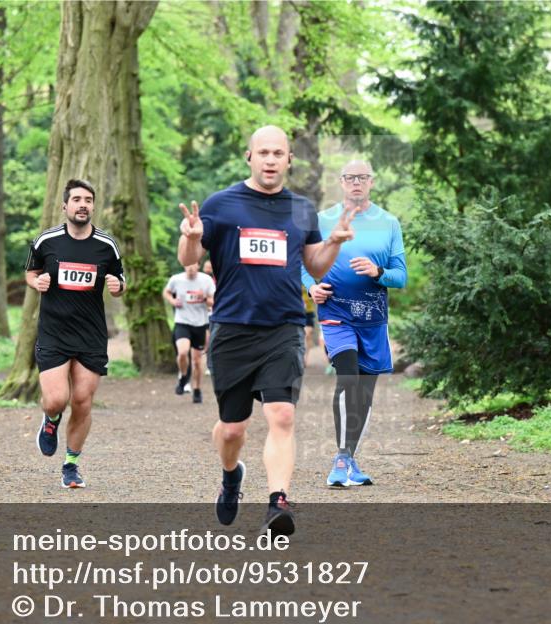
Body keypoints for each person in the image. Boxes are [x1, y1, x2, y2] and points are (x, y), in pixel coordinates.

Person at [178, 125, 356, 536]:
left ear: (289, 159)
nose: (271, 160)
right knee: (232, 429)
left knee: (282, 414)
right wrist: (191, 238)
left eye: (278, 153)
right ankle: (231, 476)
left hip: (284, 326)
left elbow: (314, 265)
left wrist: (334, 242)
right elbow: (189, 256)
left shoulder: (301, 209)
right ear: (250, 157)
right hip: (232, 328)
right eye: (264, 153)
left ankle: (278, 501)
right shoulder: (221, 204)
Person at [302, 160, 407, 488]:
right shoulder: (322, 220)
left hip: (373, 319)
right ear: (341, 182)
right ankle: (341, 458)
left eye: (362, 177)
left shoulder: (389, 223)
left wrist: (378, 272)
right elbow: (303, 263)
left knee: (364, 391)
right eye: (350, 177)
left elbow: (400, 276)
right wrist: (311, 287)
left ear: (371, 182)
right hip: (336, 313)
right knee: (347, 377)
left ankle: (350, 457)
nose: (356, 182)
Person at [25, 178, 126, 489]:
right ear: (65, 206)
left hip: (90, 335)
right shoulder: (46, 241)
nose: (83, 205)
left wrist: (118, 286)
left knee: (82, 401)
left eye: (88, 200)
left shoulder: (106, 245)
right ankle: (51, 419)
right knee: (56, 400)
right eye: (77, 200)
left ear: (93, 206)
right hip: (54, 332)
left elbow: (120, 281)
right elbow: (31, 272)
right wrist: (36, 282)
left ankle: (71, 465)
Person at [163, 263, 215, 404]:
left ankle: (197, 389)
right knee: (182, 352)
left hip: (200, 324)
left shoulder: (206, 280)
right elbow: (166, 292)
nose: (190, 268)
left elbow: (213, 302)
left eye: (193, 265)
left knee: (197, 361)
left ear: (198, 265)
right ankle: (184, 377)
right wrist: (173, 301)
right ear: (184, 265)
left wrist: (204, 298)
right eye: (188, 265)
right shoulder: (176, 279)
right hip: (182, 322)